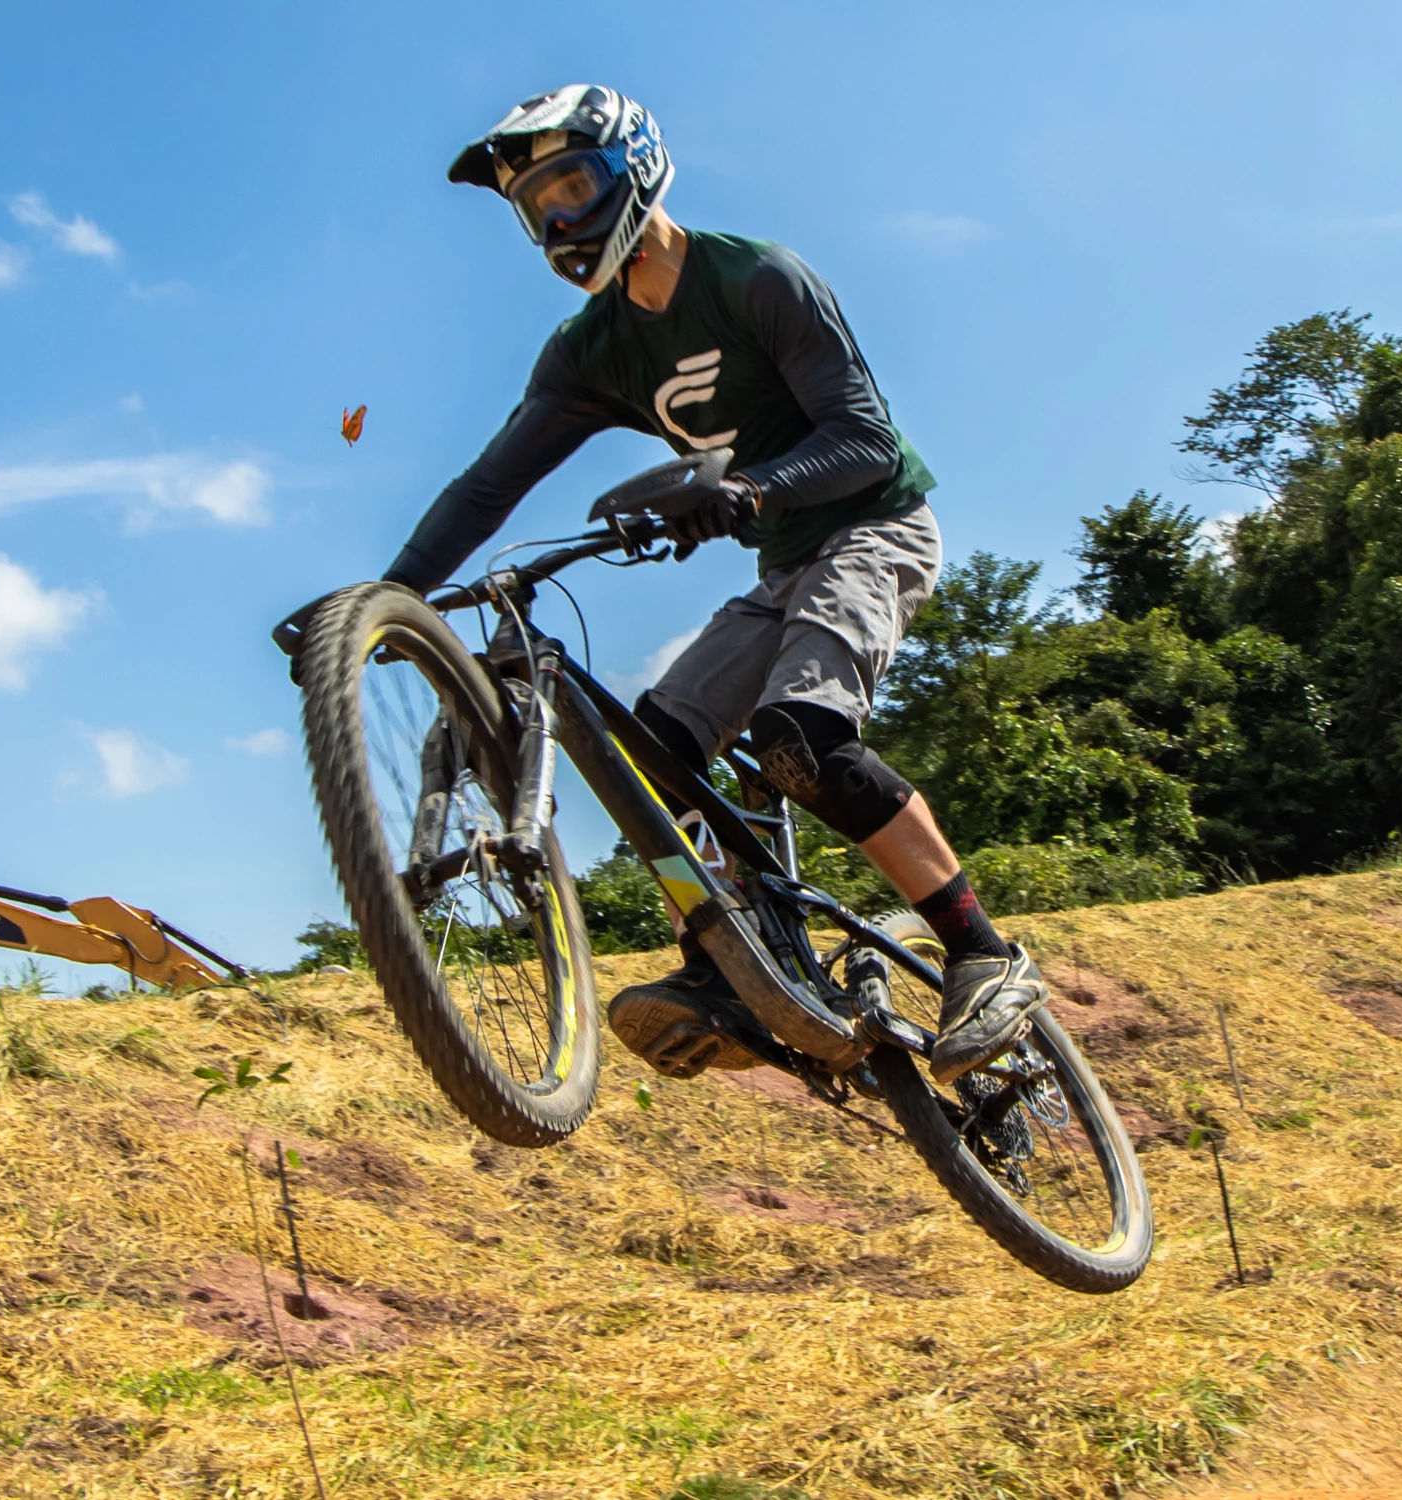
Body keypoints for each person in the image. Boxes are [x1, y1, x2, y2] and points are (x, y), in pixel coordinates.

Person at [379, 84, 1045, 1087]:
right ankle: (735, 964)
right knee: (653, 758)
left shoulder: (756, 280)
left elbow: (863, 442)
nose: (560, 218)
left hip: (874, 530)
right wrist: (380, 604)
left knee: (797, 740)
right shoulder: (587, 352)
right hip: (784, 565)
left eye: (571, 183)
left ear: (633, 165)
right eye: (536, 207)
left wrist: (743, 493)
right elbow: (486, 488)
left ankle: (981, 955)